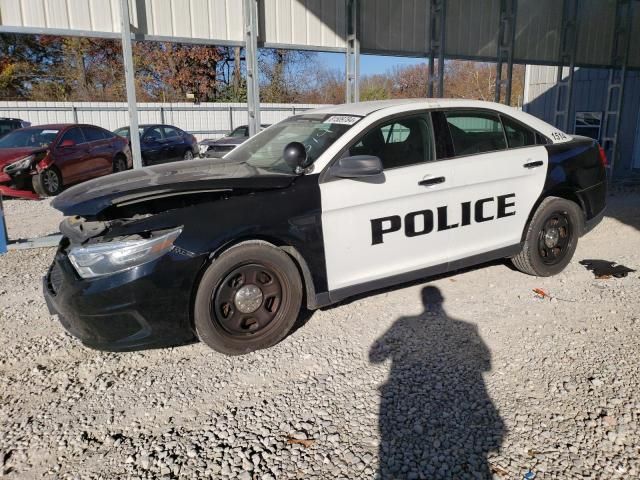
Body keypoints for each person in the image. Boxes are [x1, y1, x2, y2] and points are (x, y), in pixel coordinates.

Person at [370, 286, 505, 479]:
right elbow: (486, 365)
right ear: (442, 300)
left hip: (410, 399)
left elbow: (375, 356)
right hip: (461, 405)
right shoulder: (467, 327)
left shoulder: (403, 323)